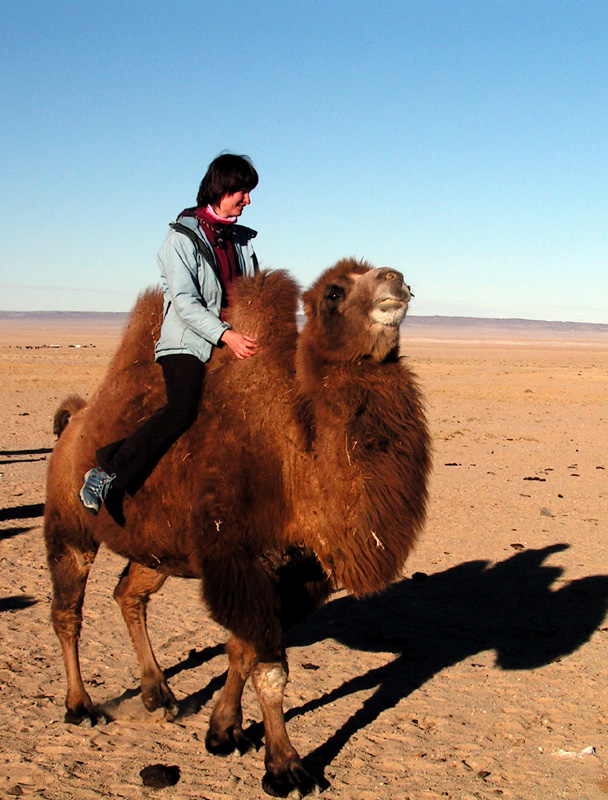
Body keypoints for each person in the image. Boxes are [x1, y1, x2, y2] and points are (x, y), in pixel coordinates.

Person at [79, 153, 259, 514]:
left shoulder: (240, 240)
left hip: (232, 336)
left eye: (249, 193)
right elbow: (185, 303)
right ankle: (106, 471)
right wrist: (227, 336)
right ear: (220, 189)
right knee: (182, 408)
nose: (248, 201)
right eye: (241, 192)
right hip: (189, 341)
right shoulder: (180, 239)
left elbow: (253, 290)